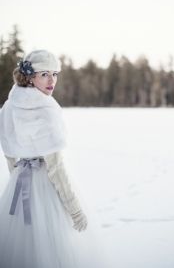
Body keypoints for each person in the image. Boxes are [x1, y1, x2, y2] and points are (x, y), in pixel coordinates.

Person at [0, 50, 108, 268]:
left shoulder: (8, 107)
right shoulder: (46, 109)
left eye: (55, 73)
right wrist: (75, 210)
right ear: (30, 77)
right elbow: (56, 169)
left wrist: (17, 181)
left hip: (19, 187)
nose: (52, 81)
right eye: (44, 74)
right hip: (46, 187)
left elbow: (10, 154)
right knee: (54, 248)